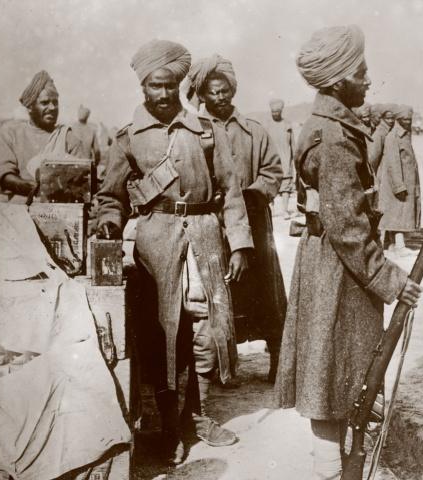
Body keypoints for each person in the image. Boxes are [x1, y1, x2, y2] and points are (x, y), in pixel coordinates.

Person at [274, 25, 422, 480]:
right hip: (341, 273)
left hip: (332, 267)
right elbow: (349, 228)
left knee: (337, 380)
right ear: (339, 81)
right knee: (334, 383)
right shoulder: (336, 136)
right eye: (361, 73)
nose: (368, 81)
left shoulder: (329, 127)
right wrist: (392, 281)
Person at [95, 39, 252, 464]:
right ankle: (168, 423)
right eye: (154, 86)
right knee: (164, 336)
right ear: (143, 86)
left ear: (180, 84)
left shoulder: (205, 130)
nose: (162, 95)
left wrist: (238, 243)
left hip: (204, 238)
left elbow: (231, 192)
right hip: (155, 242)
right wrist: (110, 220)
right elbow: (110, 195)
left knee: (207, 332)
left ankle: (197, 417)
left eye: (169, 86)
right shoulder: (127, 138)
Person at [187, 53, 287, 383]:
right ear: (201, 95)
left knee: (267, 295)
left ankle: (277, 359)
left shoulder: (254, 132)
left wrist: (253, 195)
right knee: (219, 294)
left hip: (256, 225)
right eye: (213, 92)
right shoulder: (194, 132)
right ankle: (220, 366)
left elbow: (274, 171)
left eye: (225, 90)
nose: (220, 97)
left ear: (233, 91)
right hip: (214, 226)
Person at [0, 70, 84, 201]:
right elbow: (4, 175)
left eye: (55, 102)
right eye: (45, 103)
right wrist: (34, 188)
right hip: (20, 207)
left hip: (60, 208)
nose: (52, 107)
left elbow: (81, 179)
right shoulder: (11, 134)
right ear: (30, 106)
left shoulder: (68, 138)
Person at [378, 104, 421, 254]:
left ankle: (389, 243)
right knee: (398, 212)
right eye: (405, 119)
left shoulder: (405, 135)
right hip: (397, 184)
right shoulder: (393, 137)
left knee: (397, 213)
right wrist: (398, 186)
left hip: (406, 182)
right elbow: (392, 163)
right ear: (398, 119)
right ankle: (399, 245)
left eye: (410, 119)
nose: (408, 122)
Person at [263, 98, 296, 218]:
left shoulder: (287, 124)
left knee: (286, 185)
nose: (275, 114)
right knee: (270, 183)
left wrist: (294, 157)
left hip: (285, 159)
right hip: (271, 160)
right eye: (273, 111)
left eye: (277, 111)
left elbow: (293, 143)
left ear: (281, 111)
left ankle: (285, 210)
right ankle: (271, 209)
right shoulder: (267, 125)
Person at [368, 103, 394, 172]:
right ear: (382, 118)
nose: (391, 121)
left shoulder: (390, 131)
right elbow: (374, 156)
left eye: (392, 118)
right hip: (381, 171)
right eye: (388, 118)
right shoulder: (380, 133)